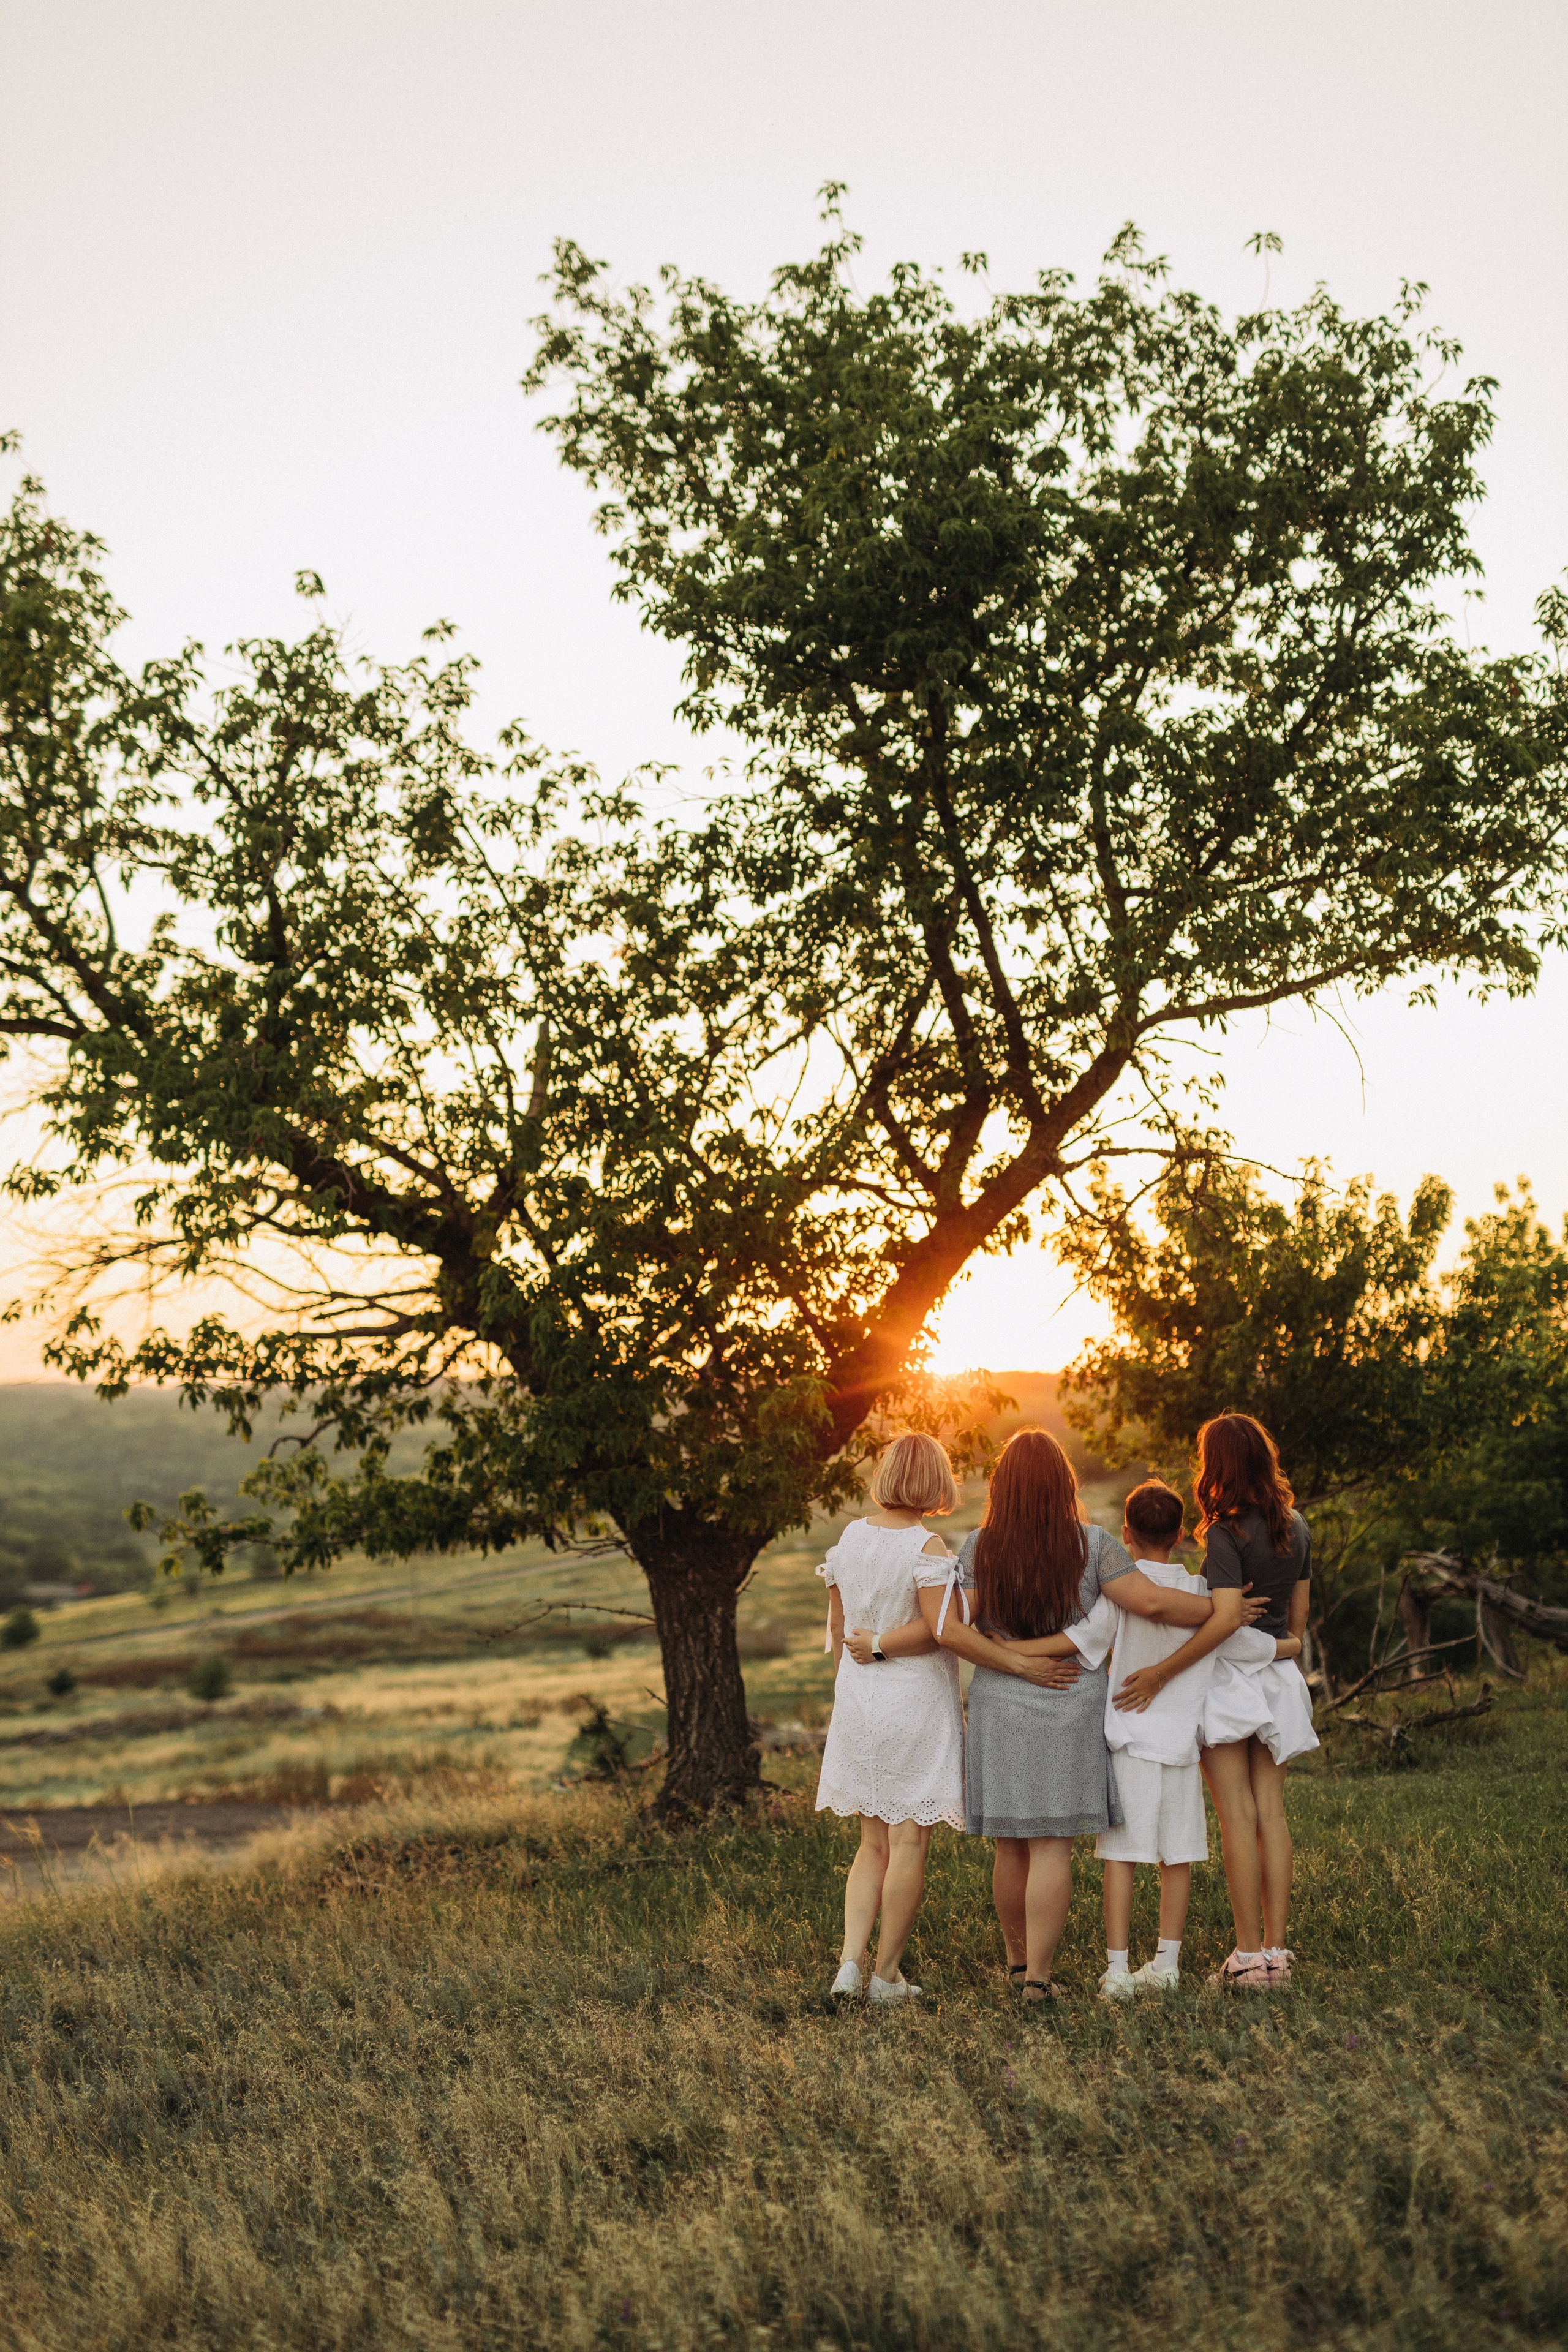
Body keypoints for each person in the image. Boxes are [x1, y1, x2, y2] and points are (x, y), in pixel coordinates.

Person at [922, 1430, 1214, 2004]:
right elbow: (1153, 1602)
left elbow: (952, 1628)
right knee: (1052, 1845)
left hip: (1000, 1702)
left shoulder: (980, 1547)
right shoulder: (1095, 1544)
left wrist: (1012, 1660)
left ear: (1003, 1486)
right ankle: (1039, 1979)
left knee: (1010, 1845)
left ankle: (1017, 1967)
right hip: (1070, 1698)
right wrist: (1222, 1609)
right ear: (1064, 1483)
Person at [1060, 1478, 1298, 2000]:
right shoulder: (1203, 1595)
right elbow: (1237, 1644)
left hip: (1129, 1741)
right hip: (1183, 1745)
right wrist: (1287, 1646)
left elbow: (1086, 1643)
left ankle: (1118, 1970)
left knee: (1121, 1857)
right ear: (1181, 1535)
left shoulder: (1120, 1591)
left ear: (1126, 1533)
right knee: (1178, 1857)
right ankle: (1166, 1964)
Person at [1112, 1415, 1318, 1991]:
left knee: (1237, 1818)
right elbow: (1298, 1626)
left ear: (1218, 1465)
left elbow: (1225, 1620)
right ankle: (1277, 1953)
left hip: (1229, 1684)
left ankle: (1247, 1957)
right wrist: (1280, 1647)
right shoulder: (1298, 1527)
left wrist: (1160, 1673)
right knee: (1271, 1814)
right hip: (1277, 1680)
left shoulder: (1227, 1535)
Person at [813, 1433, 968, 2005]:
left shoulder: (851, 1537)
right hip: (914, 1702)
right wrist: (881, 1647)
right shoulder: (927, 1547)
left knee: (871, 1843)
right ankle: (885, 1978)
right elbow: (938, 1630)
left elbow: (839, 1629)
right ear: (936, 1482)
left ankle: (848, 1966)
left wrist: (853, 1682)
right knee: (908, 1844)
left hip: (859, 1702)